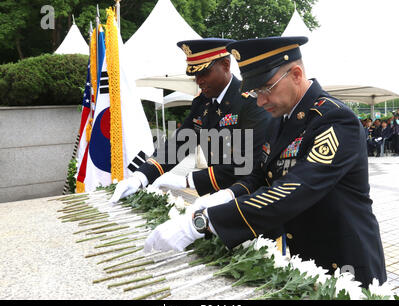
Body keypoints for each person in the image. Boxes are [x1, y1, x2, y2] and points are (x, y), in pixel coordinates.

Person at [144, 36, 387, 288]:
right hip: (305, 257)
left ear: (295, 74)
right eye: (256, 92)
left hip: (345, 261)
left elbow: (295, 188)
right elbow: (260, 176)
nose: (260, 101)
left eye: (266, 89)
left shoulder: (334, 119)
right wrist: (225, 195)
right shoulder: (281, 119)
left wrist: (205, 222)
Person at [109, 38, 272, 202]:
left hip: (250, 199)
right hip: (217, 197)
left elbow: (246, 163)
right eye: (195, 74)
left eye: (204, 72)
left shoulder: (251, 102)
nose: (198, 81)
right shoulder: (203, 103)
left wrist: (188, 181)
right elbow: (180, 142)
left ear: (226, 65)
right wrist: (141, 176)